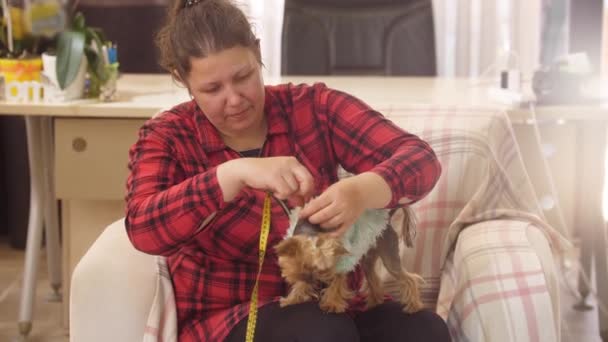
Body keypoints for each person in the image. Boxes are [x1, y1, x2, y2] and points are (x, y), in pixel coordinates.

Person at [125, 0, 448, 341]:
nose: (234, 99)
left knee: (423, 330)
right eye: (213, 89)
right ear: (182, 79)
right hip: (230, 319)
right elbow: (143, 228)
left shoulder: (314, 108)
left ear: (259, 53)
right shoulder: (168, 137)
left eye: (243, 76)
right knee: (319, 331)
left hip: (335, 307)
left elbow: (421, 159)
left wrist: (362, 191)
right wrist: (232, 174)